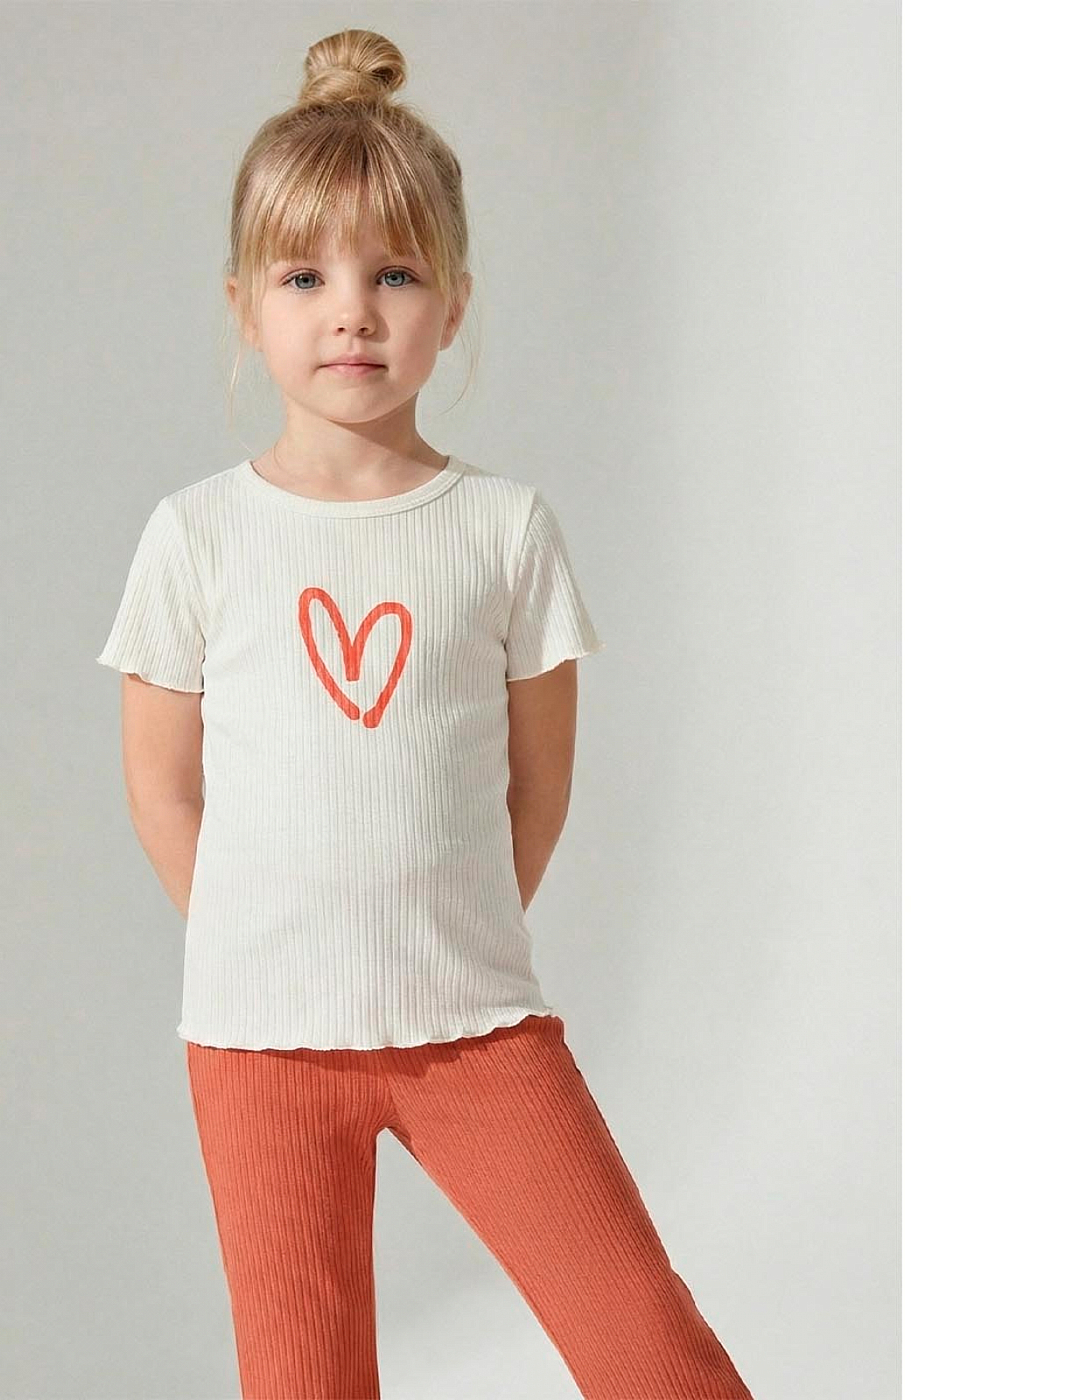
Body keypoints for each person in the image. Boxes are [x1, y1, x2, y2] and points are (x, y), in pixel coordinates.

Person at [96, 27, 754, 1400]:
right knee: (304, 1377)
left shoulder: (504, 530)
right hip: (261, 1041)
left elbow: (538, 780)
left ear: (452, 305)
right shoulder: (197, 536)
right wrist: (266, 937)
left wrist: (442, 934)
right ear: (245, 306)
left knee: (648, 1348)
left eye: (394, 274)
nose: (352, 312)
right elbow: (164, 783)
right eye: (306, 277)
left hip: (473, 1026)